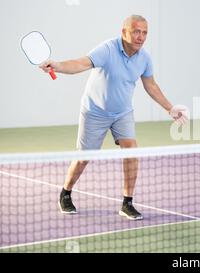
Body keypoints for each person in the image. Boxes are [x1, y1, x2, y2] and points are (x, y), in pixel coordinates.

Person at [40, 15, 188, 220]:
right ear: (124, 32)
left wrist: (169, 108)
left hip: (123, 113)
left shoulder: (144, 58)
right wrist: (57, 65)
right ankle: (65, 192)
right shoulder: (108, 49)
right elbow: (80, 63)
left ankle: (127, 202)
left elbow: (151, 85)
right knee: (84, 157)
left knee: (131, 151)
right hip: (95, 111)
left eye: (145, 32)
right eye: (136, 31)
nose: (141, 37)